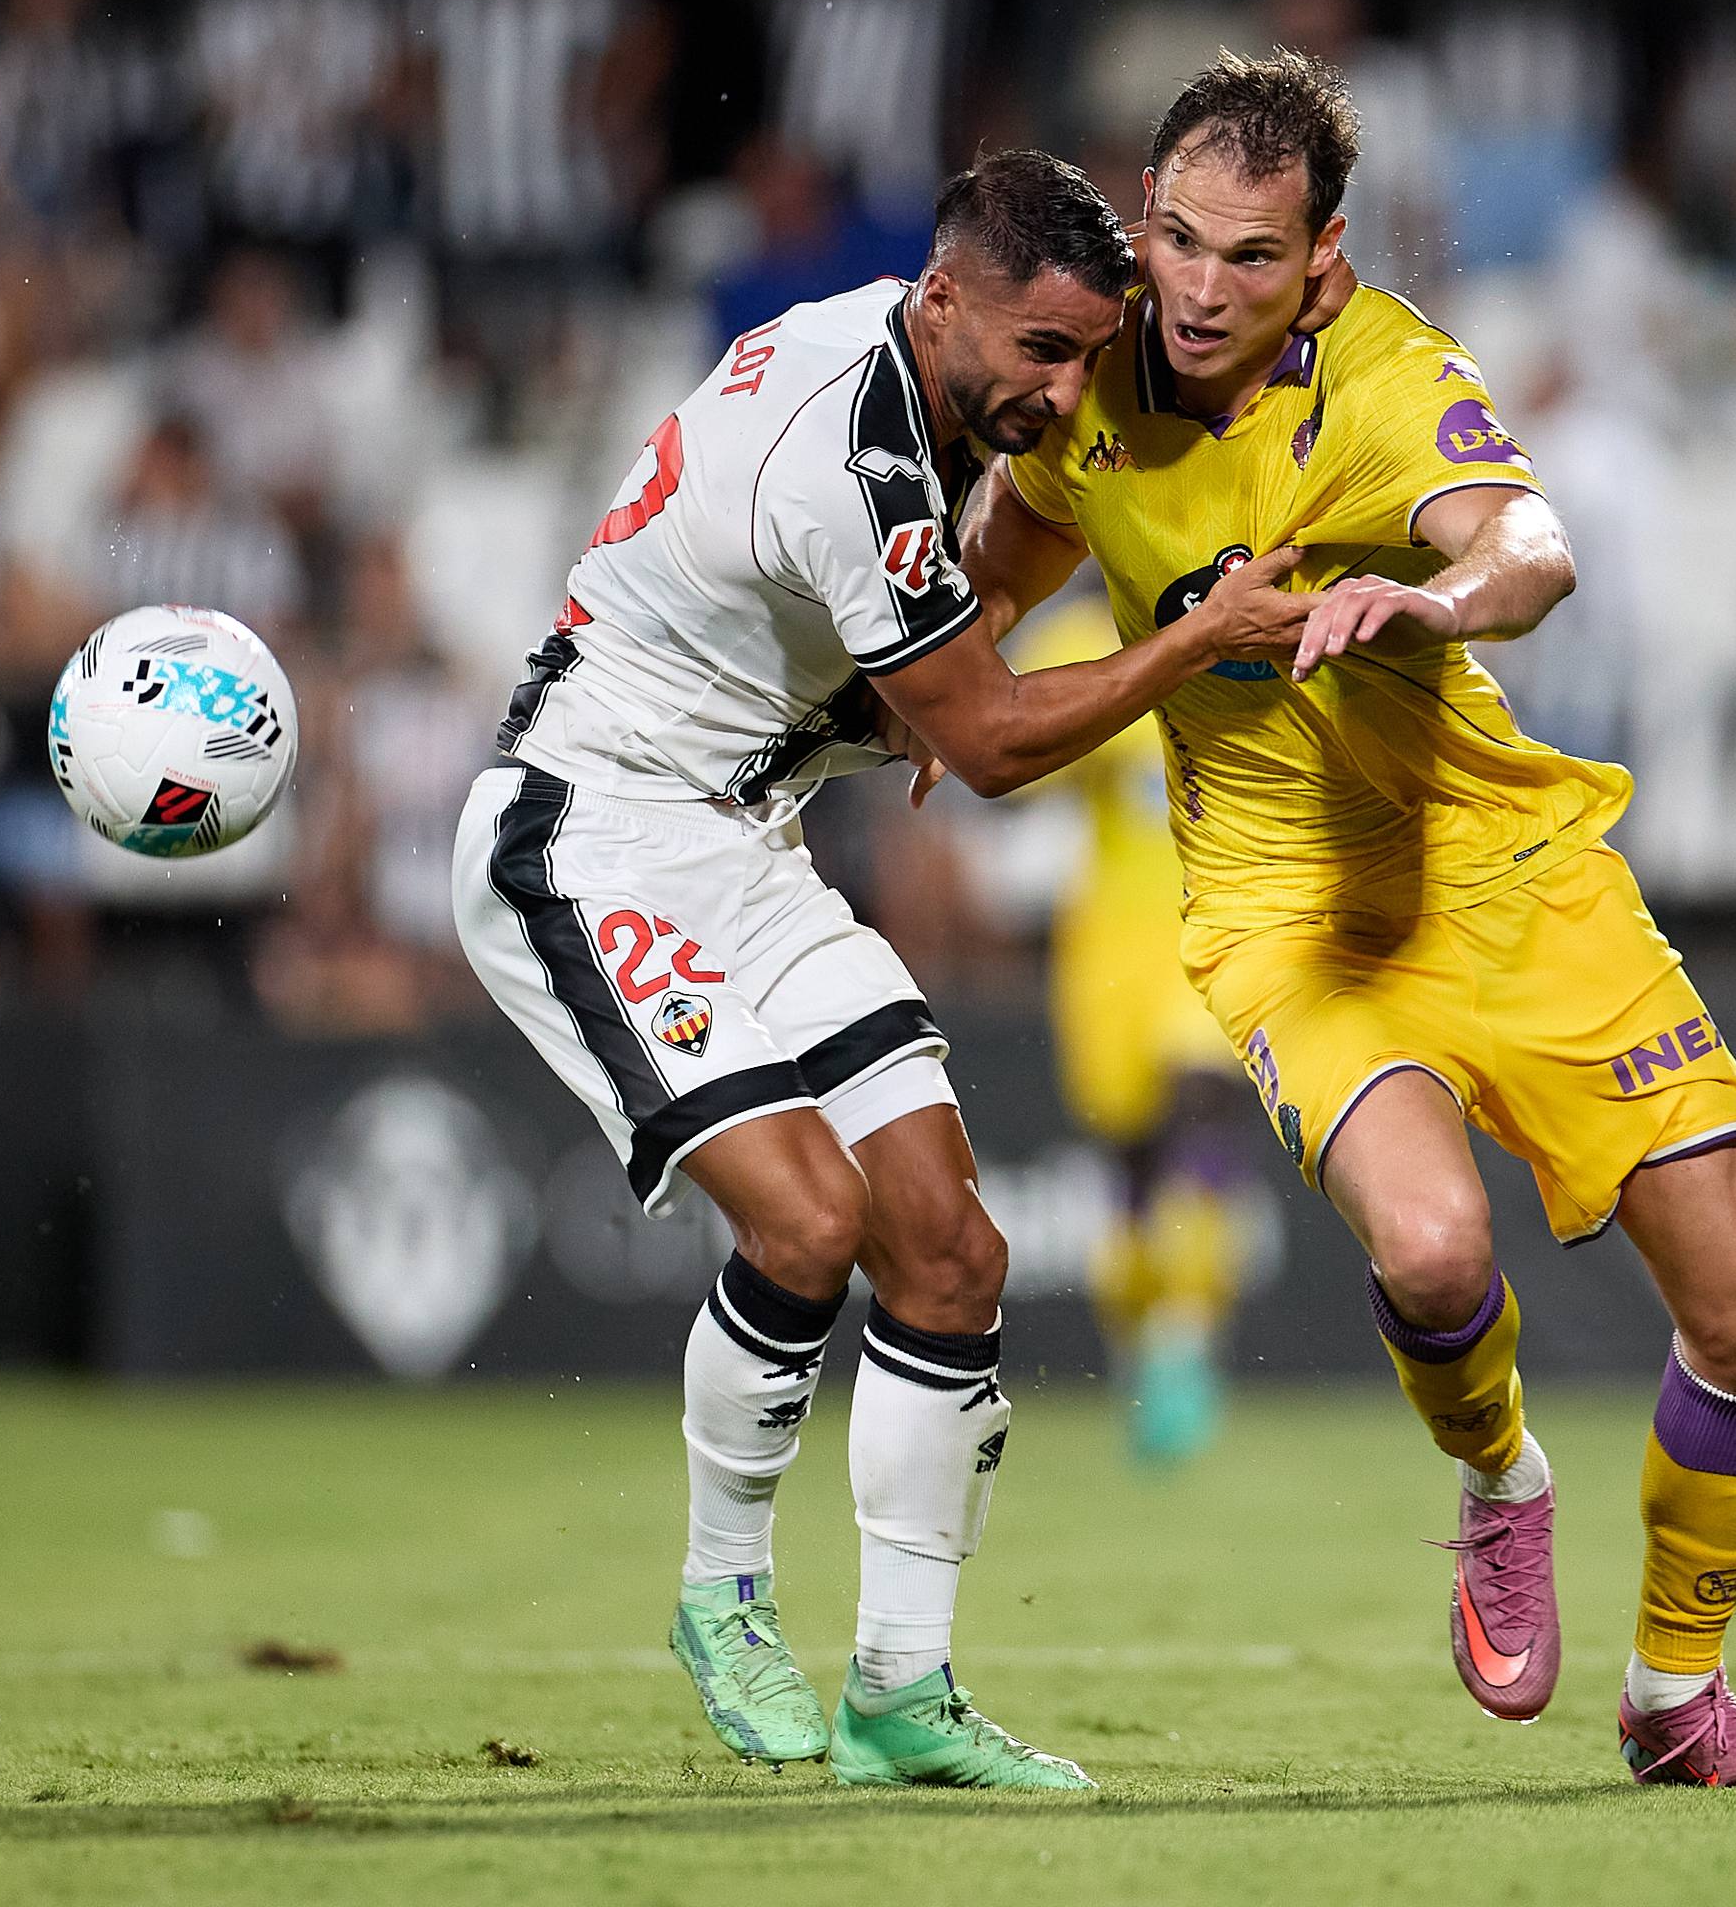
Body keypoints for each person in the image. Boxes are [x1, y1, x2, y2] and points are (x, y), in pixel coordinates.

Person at [952, 50, 1736, 1789]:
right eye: (1179, 241)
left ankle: (1679, 1699)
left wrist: (1425, 596)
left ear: (1326, 263)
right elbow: (992, 569)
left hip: (1506, 872)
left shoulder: (1385, 377)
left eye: (1250, 256)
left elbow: (1530, 543)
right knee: (1434, 1253)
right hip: (1287, 904)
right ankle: (1502, 1478)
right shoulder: (1092, 386)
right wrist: (907, 701)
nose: (1202, 288)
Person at [449, 150, 1319, 1789]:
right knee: (808, 1218)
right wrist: (1197, 636)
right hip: (588, 836)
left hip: (744, 841)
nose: (1061, 397)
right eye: (1040, 355)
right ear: (945, 298)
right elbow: (987, 746)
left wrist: (1294, 300)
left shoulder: (906, 366)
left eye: (1082, 356)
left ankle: (901, 1692)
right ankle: (724, 1598)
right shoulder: (842, 455)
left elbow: (958, 638)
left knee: (952, 1252)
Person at [1017, 585, 1260, 1465]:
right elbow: (1004, 769)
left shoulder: (1249, 624)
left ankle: (1186, 1340)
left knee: (1203, 1108)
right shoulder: (1076, 640)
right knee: (1130, 1164)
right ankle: (1142, 1349)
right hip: (1108, 946)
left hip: (1216, 927)